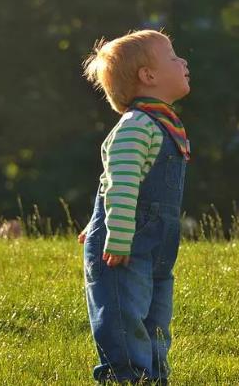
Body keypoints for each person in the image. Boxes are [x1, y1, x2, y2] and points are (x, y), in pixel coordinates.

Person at [77, 30, 191, 384]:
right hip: (125, 245)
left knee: (155, 319)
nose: (183, 61)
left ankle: (154, 377)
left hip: (156, 245)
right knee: (124, 319)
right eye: (173, 56)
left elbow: (114, 181)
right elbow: (121, 185)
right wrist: (116, 234)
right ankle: (127, 378)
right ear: (148, 76)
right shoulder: (136, 125)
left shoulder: (162, 124)